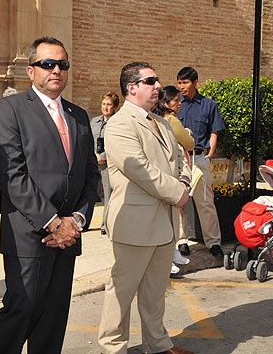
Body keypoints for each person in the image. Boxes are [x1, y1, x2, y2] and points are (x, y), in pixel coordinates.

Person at [0, 36, 100, 354]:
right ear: (30, 71)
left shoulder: (78, 115)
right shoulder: (10, 109)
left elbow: (90, 175)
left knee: (53, 320)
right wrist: (53, 223)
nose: (56, 70)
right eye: (47, 64)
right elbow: (12, 176)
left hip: (67, 238)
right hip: (28, 236)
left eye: (62, 64)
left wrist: (76, 220)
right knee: (19, 313)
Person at [98, 62, 193, 354]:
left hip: (164, 221)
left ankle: (158, 345)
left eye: (157, 81)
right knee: (122, 291)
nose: (157, 86)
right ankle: (113, 348)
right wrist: (177, 192)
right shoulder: (119, 124)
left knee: (155, 292)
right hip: (134, 221)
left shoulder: (162, 122)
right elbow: (139, 169)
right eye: (151, 81)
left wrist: (185, 182)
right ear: (132, 87)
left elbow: (180, 157)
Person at [175, 66, 225, 257]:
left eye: (185, 83)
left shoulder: (209, 105)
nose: (182, 87)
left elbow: (214, 132)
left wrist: (209, 155)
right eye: (179, 83)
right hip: (179, 160)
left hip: (199, 158)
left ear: (195, 83)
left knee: (205, 201)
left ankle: (213, 242)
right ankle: (182, 241)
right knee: (179, 202)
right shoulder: (175, 103)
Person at [151, 85, 194, 274]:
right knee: (168, 220)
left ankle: (172, 252)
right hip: (168, 175)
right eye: (176, 100)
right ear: (166, 102)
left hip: (173, 173)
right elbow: (189, 143)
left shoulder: (160, 120)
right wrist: (188, 134)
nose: (180, 104)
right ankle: (168, 256)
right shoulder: (170, 121)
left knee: (170, 219)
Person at [90, 91, 119, 235]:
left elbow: (117, 144)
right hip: (93, 162)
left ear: (114, 107)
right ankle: (85, 222)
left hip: (108, 164)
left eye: (108, 105)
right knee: (89, 192)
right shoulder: (94, 121)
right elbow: (88, 140)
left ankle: (105, 224)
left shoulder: (117, 123)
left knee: (108, 195)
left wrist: (103, 156)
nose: (105, 107)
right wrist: (93, 155)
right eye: (103, 104)